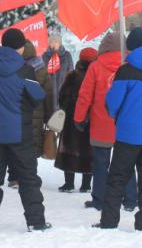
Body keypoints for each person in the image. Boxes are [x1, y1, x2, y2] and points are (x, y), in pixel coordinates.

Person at [95, 28, 142, 232]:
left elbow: (112, 103)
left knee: (118, 178)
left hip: (128, 135)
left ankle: (109, 222)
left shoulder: (126, 71)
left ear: (130, 48)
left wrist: (116, 114)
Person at [0, 28, 50, 233]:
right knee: (28, 178)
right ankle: (36, 222)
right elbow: (37, 96)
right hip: (19, 132)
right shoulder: (25, 70)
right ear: (20, 47)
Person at [74, 32, 137, 211]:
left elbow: (85, 95)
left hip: (101, 122)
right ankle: (131, 199)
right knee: (126, 162)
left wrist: (79, 117)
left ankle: (99, 200)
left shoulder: (96, 66)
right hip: (125, 123)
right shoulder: (130, 65)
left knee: (100, 164)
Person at [55, 47, 97, 193]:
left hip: (71, 120)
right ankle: (86, 185)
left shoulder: (72, 76)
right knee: (89, 151)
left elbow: (61, 97)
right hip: (92, 120)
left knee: (69, 150)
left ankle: (69, 184)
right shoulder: (97, 75)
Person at [42, 33, 73, 110]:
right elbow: (42, 74)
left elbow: (71, 72)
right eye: (52, 42)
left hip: (63, 91)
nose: (54, 44)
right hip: (49, 93)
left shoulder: (67, 55)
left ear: (60, 43)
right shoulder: (45, 56)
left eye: (56, 42)